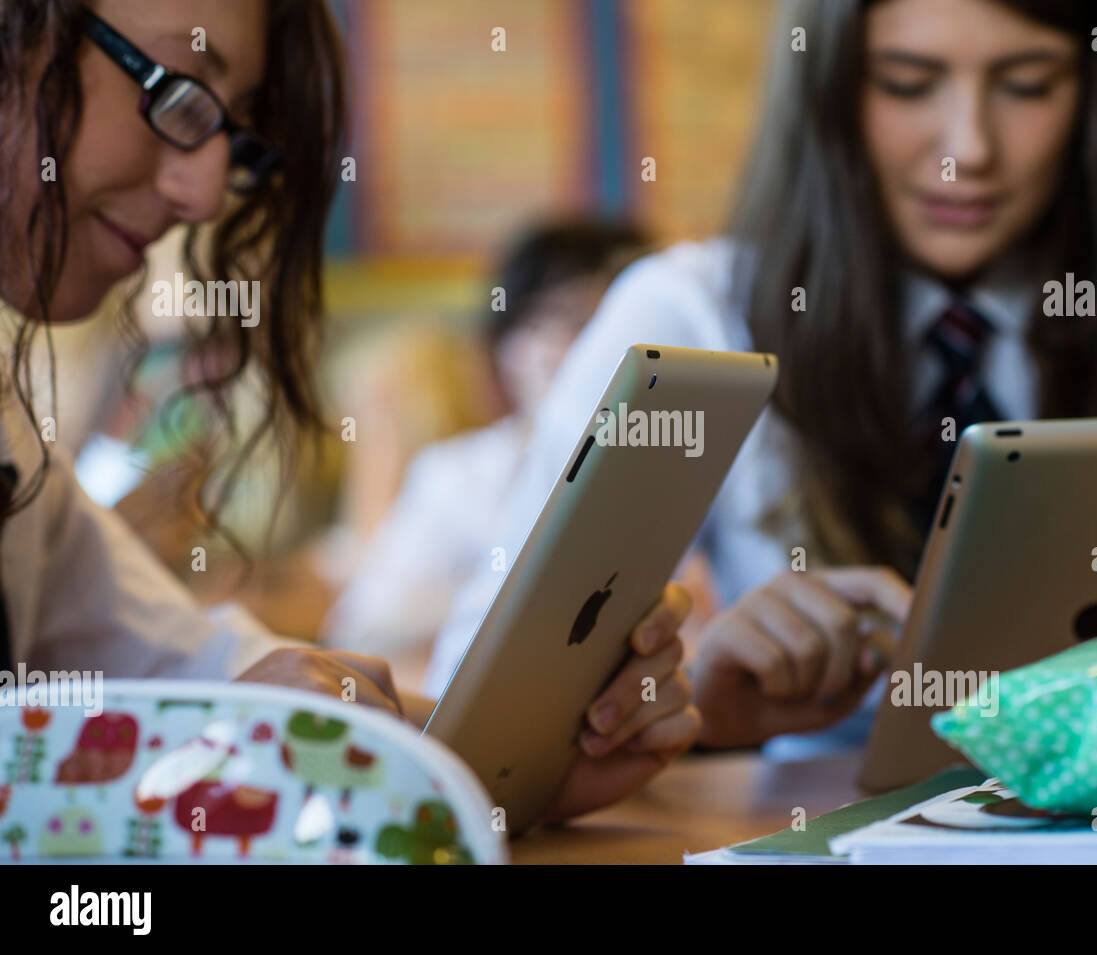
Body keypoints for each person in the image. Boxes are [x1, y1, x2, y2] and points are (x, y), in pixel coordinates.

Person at [428, 0, 1097, 749]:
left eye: (1028, 83)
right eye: (908, 83)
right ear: (829, 92)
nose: (969, 149)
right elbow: (477, 696)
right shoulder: (696, 311)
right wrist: (697, 701)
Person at [0, 0, 699, 824]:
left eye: (236, 141)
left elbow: (195, 665)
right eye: (179, 96)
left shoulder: (18, 445)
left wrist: (497, 759)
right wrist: (202, 748)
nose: (200, 194)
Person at [322, 219, 651, 677]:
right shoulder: (459, 475)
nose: (594, 349)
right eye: (564, 318)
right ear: (507, 347)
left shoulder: (681, 467)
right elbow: (364, 628)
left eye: (613, 322)